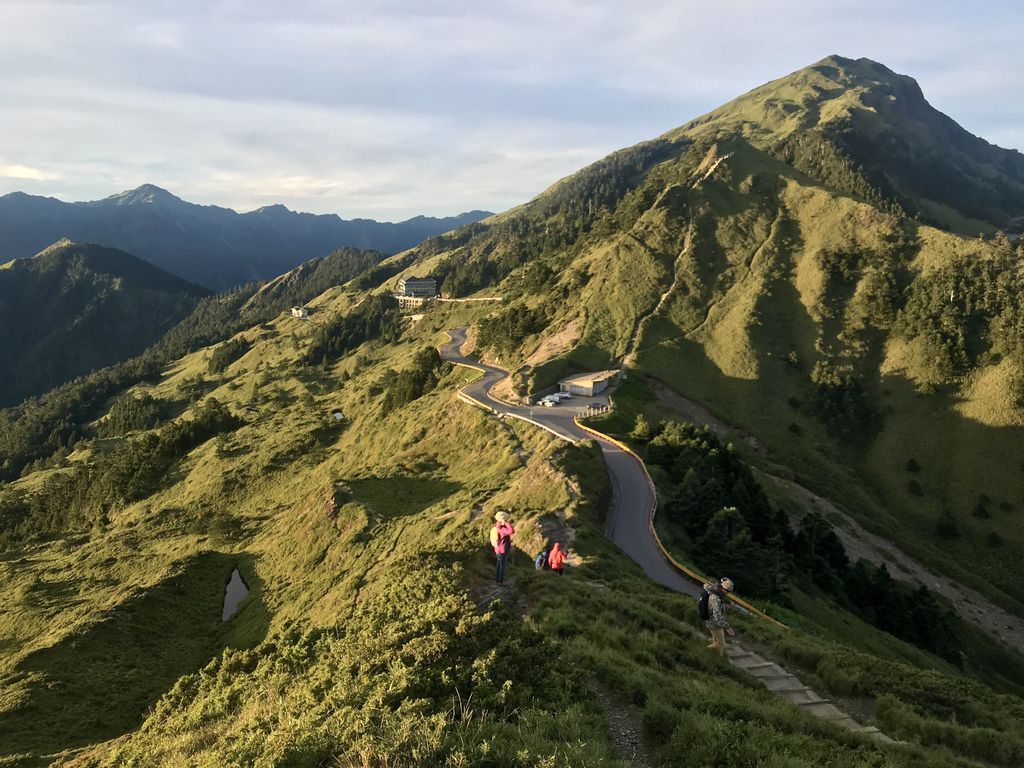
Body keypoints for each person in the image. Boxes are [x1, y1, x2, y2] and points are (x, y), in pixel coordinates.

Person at [702, 577, 735, 656]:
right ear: (724, 589)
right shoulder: (716, 597)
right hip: (714, 623)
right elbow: (717, 615)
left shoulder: (715, 592)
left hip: (711, 621)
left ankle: (712, 654)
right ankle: (715, 656)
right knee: (720, 644)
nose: (728, 594)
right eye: (728, 592)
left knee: (716, 641)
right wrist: (727, 627)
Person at [490, 511, 516, 584]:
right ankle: (500, 581)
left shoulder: (496, 526)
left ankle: (497, 580)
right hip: (503, 550)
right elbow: (511, 531)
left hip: (497, 549)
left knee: (499, 564)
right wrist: (506, 523)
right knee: (502, 565)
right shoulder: (502, 529)